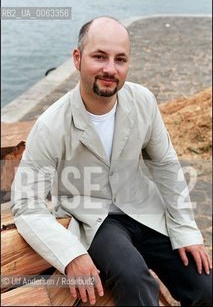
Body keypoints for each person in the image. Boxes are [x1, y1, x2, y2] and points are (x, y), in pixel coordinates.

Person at [11, 16, 212, 306]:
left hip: (144, 208)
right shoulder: (50, 124)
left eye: (120, 59)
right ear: (77, 59)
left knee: (205, 285)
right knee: (134, 280)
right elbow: (25, 203)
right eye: (99, 57)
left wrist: (186, 230)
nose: (110, 69)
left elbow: (166, 165)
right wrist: (71, 255)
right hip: (95, 219)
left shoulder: (143, 101)